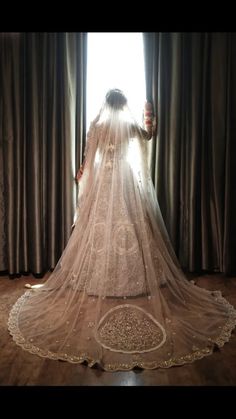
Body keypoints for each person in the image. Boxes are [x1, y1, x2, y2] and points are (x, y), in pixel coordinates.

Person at [8, 89, 236, 371]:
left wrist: (83, 183)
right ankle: (134, 279)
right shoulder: (128, 125)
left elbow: (89, 162)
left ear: (106, 103)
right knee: (130, 226)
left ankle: (99, 278)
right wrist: (149, 114)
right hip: (125, 178)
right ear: (123, 104)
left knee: (101, 227)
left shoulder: (97, 125)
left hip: (105, 178)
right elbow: (146, 136)